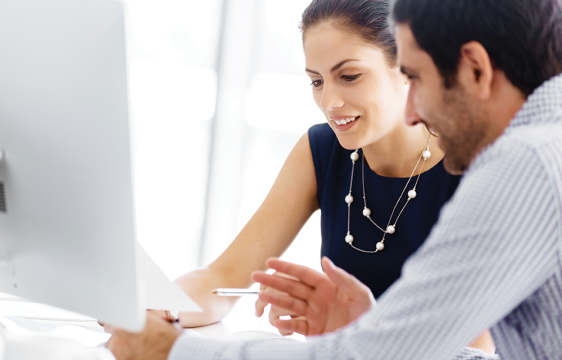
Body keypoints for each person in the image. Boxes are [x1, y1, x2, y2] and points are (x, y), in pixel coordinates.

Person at [105, 0, 562, 359]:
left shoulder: (514, 163)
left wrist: (174, 352)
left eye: (349, 76)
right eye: (316, 81)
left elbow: (381, 353)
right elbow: (225, 276)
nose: (329, 102)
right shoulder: (541, 146)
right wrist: (374, 322)